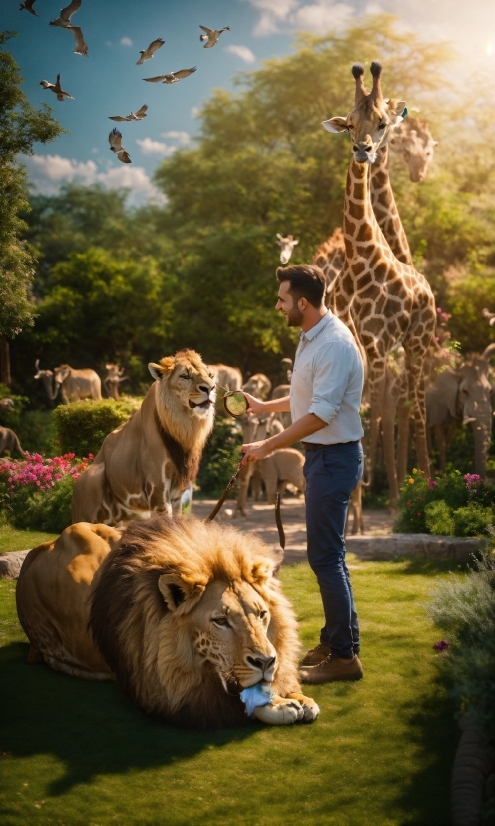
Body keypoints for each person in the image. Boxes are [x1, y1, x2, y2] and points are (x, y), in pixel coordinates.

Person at [240, 264, 365, 683]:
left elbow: (321, 415)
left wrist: (267, 444)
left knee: (326, 559)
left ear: (303, 303)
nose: (278, 305)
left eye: (282, 299)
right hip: (323, 459)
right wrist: (263, 407)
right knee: (331, 557)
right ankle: (336, 642)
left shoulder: (333, 345)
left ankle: (344, 658)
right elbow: (304, 400)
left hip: (333, 458)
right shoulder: (311, 337)